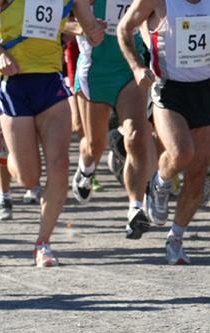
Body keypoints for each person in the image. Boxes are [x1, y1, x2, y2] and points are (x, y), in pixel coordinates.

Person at [118, 0, 210, 264]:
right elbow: (124, 28)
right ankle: (159, 183)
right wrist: (137, 67)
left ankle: (176, 238)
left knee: (200, 168)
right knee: (182, 153)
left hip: (204, 88)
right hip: (167, 87)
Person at [0, 0, 105, 267]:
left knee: (60, 164)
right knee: (29, 177)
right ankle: (5, 151)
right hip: (12, 82)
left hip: (50, 79)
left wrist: (95, 31)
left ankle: (43, 243)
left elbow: (90, 30)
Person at [72, 0, 157, 240]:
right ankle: (86, 169)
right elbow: (59, 22)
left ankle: (136, 208)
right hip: (95, 71)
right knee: (94, 145)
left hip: (130, 66)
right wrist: (82, 28)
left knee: (137, 135)